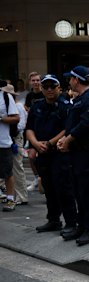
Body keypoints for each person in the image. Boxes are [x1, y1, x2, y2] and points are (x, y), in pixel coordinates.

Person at [26, 74, 77, 232]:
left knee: (63, 188)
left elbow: (67, 129)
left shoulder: (66, 106)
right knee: (48, 187)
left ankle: (71, 222)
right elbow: (29, 128)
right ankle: (53, 220)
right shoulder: (37, 106)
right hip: (43, 152)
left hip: (60, 152)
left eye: (52, 86)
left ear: (59, 88)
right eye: (45, 86)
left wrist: (50, 143)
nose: (49, 90)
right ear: (41, 88)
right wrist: (35, 144)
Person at [57, 65, 89, 246]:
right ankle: (81, 226)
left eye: (70, 78)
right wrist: (65, 139)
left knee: (88, 192)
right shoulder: (79, 99)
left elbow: (87, 124)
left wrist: (68, 140)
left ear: (76, 79)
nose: (69, 82)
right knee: (79, 192)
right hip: (76, 153)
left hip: (86, 153)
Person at [3, 84, 29, 205]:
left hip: (16, 137)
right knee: (10, 168)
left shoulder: (17, 107)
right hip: (10, 137)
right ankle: (13, 194)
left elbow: (21, 124)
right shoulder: (8, 105)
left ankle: (21, 195)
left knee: (17, 167)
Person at [0, 80, 21, 212]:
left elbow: (16, 118)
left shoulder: (5, 97)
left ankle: (10, 199)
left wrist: (1, 118)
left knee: (7, 173)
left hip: (3, 142)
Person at [25, 72, 44, 193]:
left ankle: (44, 179)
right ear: (30, 82)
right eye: (33, 80)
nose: (36, 82)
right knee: (31, 156)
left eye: (38, 80)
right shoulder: (29, 96)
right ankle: (37, 178)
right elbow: (26, 107)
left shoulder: (45, 92)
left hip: (45, 129)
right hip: (33, 129)